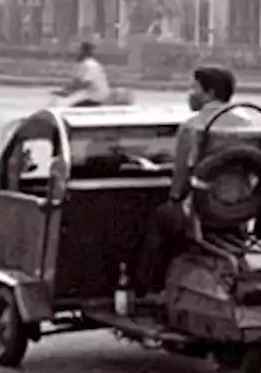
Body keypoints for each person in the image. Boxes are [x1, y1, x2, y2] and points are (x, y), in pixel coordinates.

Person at [137, 66, 250, 294]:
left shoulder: (193, 127)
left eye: (194, 88)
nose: (190, 94)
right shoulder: (248, 126)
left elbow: (178, 184)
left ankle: (148, 287)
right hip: (240, 211)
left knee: (162, 217)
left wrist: (175, 198)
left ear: (208, 94)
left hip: (203, 213)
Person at [51, 41, 114, 106]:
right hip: (89, 94)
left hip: (96, 97)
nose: (73, 53)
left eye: (77, 50)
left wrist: (68, 92)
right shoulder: (82, 64)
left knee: (69, 106)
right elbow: (77, 82)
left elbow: (84, 84)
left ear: (84, 52)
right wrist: (66, 90)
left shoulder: (90, 65)